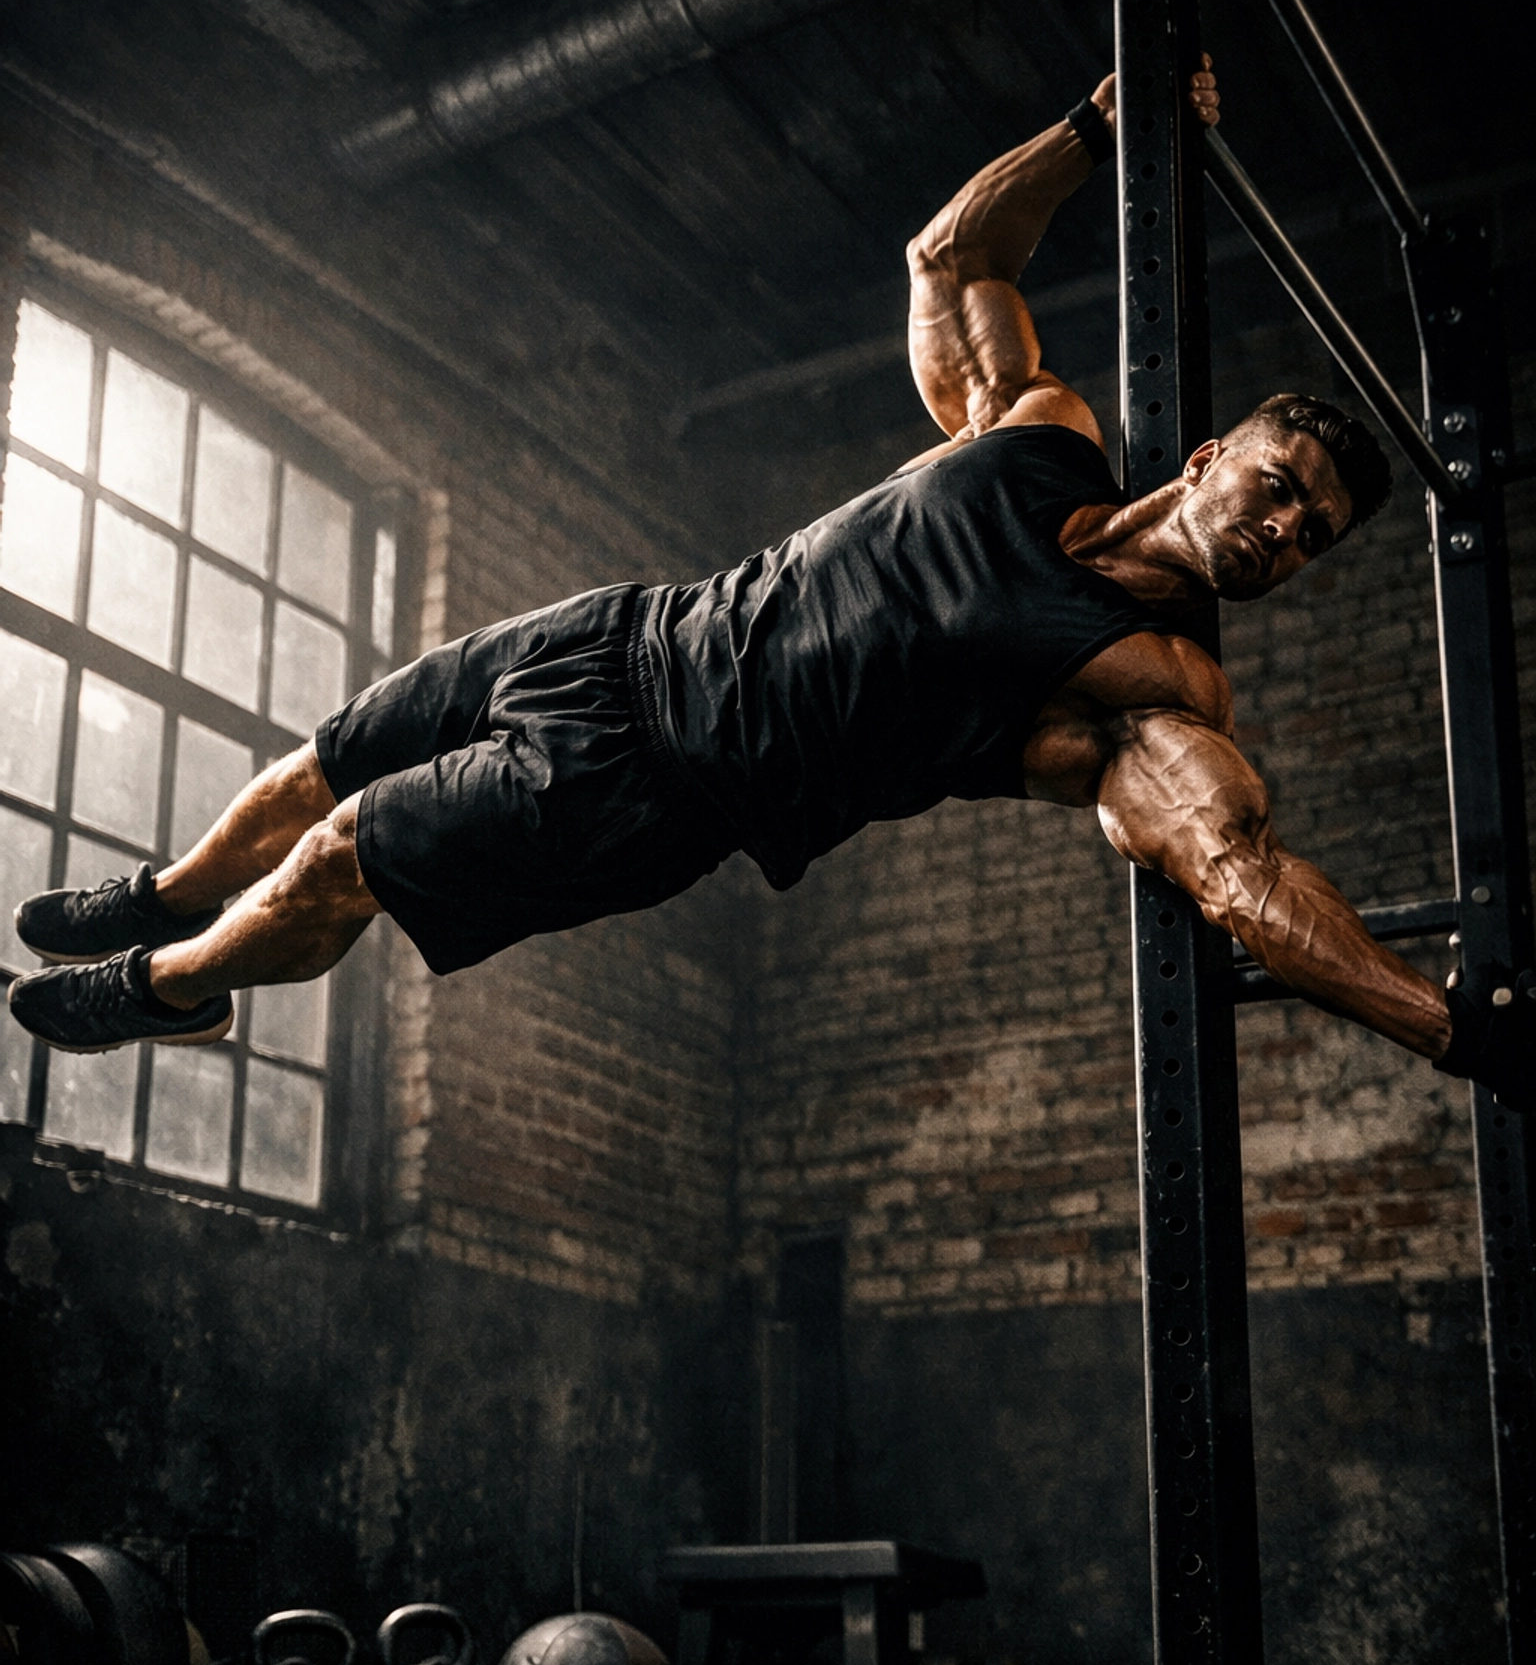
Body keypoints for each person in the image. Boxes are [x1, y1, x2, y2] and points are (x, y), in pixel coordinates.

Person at [8, 64, 1530, 1111]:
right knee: (329, 757)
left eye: (1312, 536)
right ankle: (164, 896)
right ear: (1207, 459)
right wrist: (1093, 125)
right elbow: (951, 255)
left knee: (348, 848)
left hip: (655, 787)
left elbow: (1242, 879)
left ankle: (172, 986)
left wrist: (1453, 1028)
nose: (1282, 533)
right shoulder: (1040, 433)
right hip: (628, 630)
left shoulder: (1154, 689)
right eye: (1277, 489)